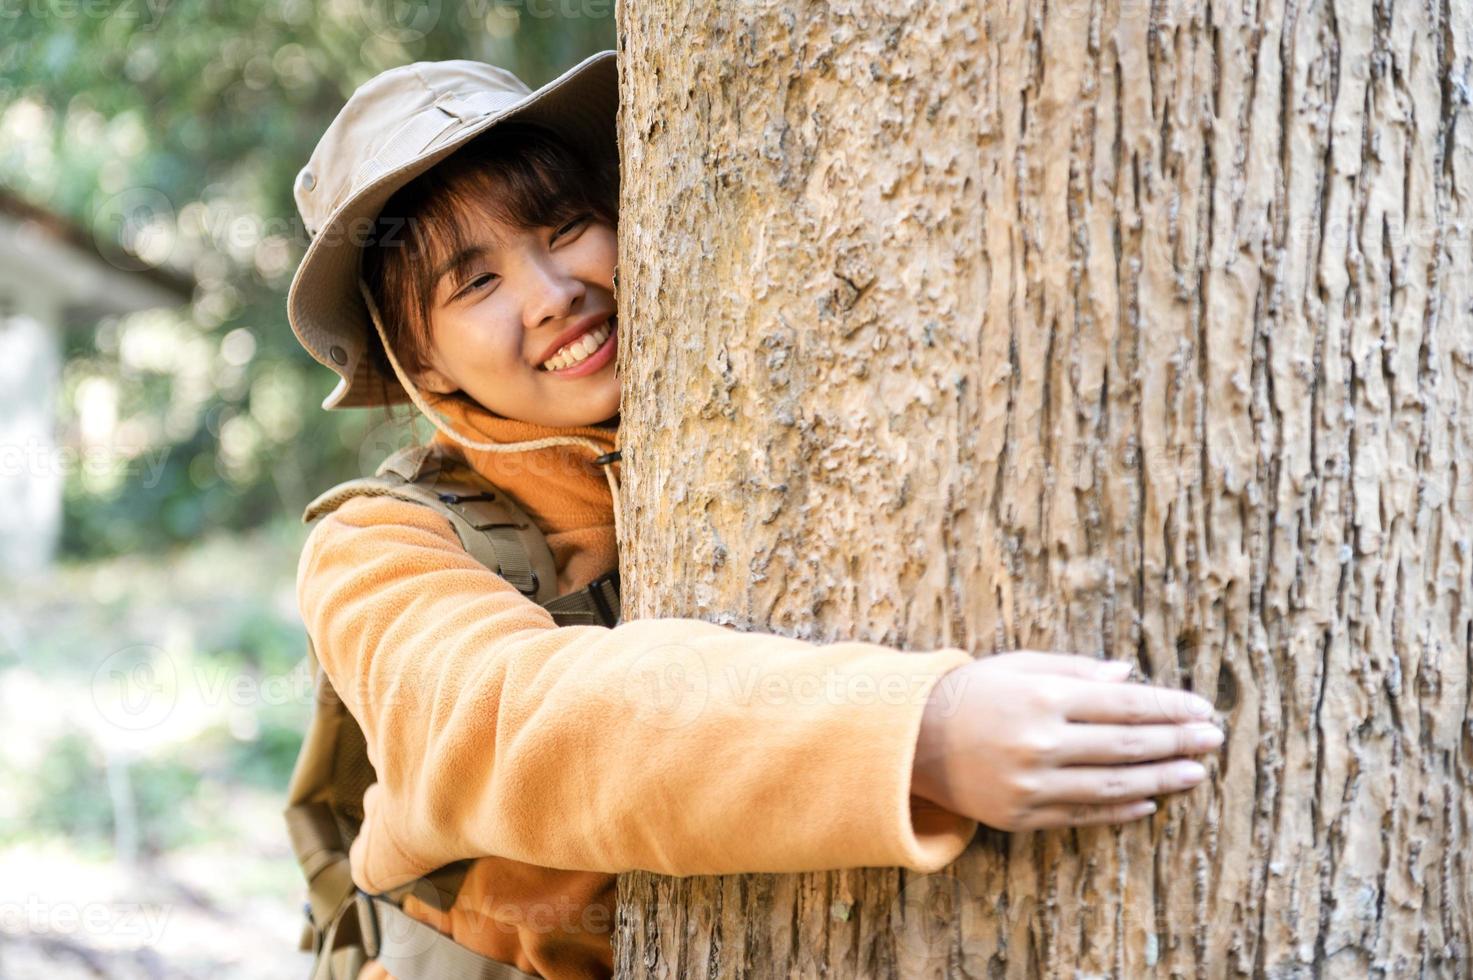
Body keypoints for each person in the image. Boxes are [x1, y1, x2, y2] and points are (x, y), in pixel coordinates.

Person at [286, 51, 1224, 980]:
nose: (551, 295)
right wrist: (912, 736)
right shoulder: (376, 546)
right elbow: (508, 717)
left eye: (567, 225)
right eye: (474, 284)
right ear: (420, 357)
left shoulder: (751, 428)